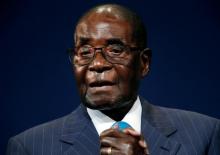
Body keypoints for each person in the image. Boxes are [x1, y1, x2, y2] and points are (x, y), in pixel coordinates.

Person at [6, 3, 220, 155]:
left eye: (116, 49)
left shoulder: (205, 134)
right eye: (85, 51)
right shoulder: (29, 147)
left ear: (144, 63)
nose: (98, 64)